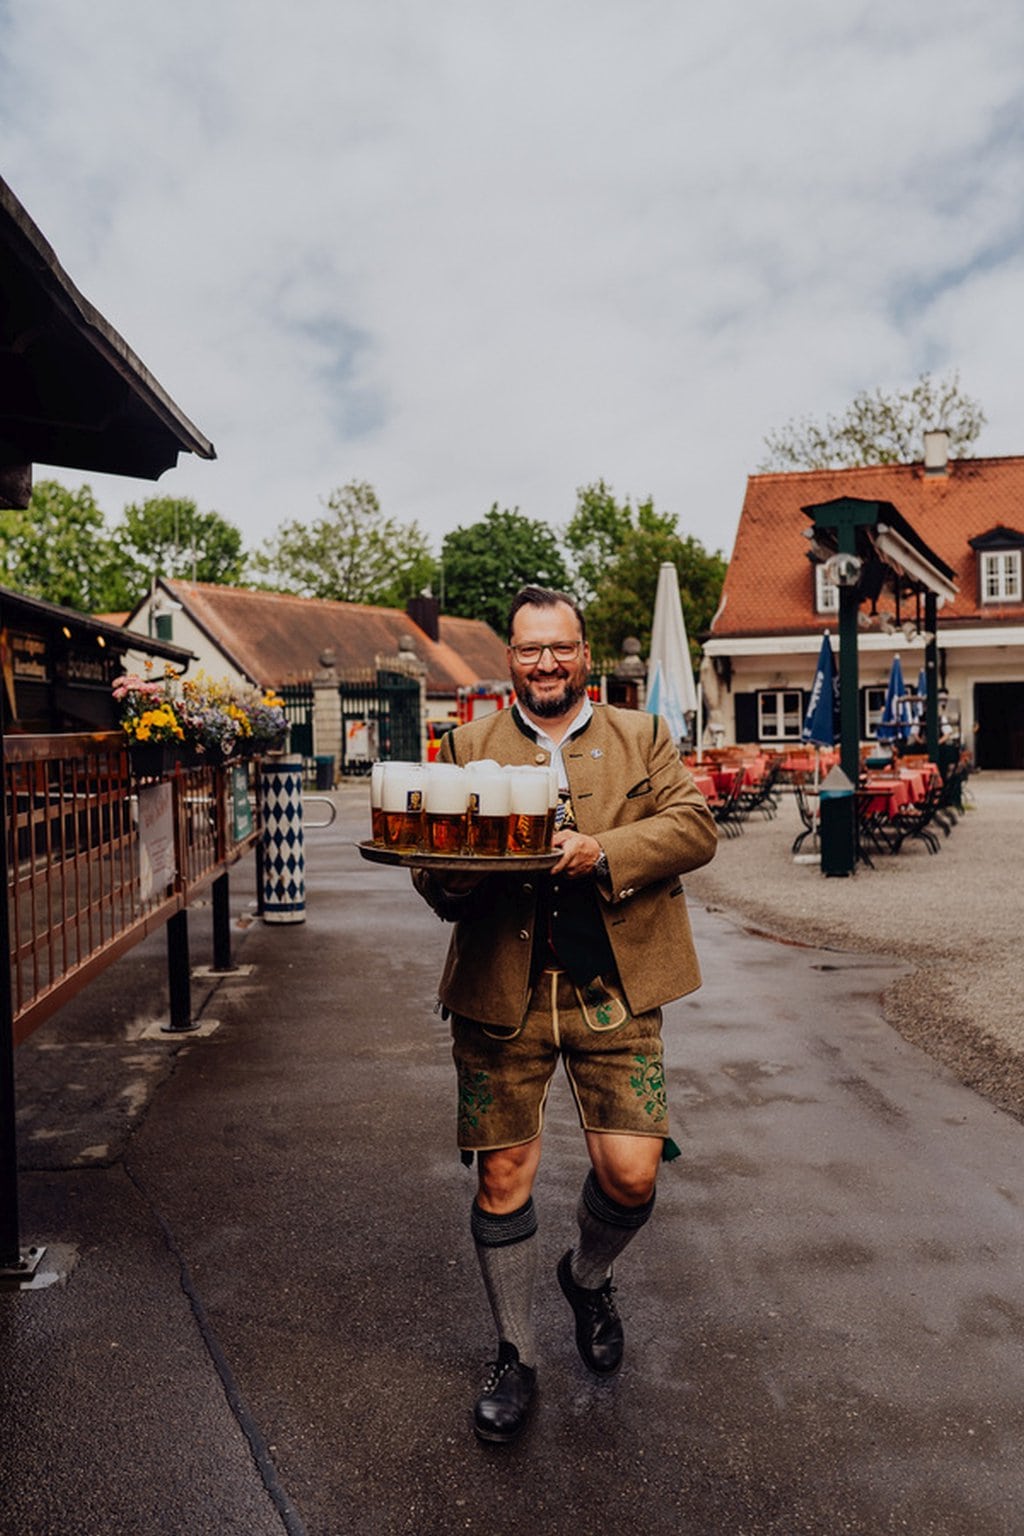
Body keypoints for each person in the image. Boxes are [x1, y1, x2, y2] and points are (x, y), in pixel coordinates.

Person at [413, 585, 718, 1443]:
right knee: (501, 1176)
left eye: (560, 648)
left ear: (583, 654)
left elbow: (694, 827)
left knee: (632, 1173)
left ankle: (586, 1276)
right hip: (497, 996)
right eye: (527, 649)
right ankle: (516, 1354)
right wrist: (461, 872)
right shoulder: (465, 745)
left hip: (612, 990)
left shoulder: (642, 735)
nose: (544, 663)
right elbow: (429, 871)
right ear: (507, 657)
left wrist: (602, 850)